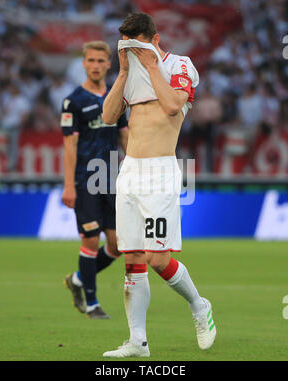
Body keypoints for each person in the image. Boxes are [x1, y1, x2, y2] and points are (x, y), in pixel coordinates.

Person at [102, 13, 216, 357]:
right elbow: (108, 117)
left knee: (157, 257)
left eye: (136, 44)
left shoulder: (179, 64)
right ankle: (138, 341)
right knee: (133, 257)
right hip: (130, 170)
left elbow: (171, 106)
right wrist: (123, 71)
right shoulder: (130, 73)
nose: (132, 52)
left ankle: (199, 305)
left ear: (153, 38)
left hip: (161, 171)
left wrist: (151, 65)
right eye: (126, 46)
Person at [61, 41, 128, 319]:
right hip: (86, 180)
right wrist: (68, 185)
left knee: (117, 246)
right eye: (91, 60)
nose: (96, 65)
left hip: (112, 180)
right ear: (84, 64)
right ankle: (91, 303)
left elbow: (125, 137)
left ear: (108, 64)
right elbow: (69, 146)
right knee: (90, 240)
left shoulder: (116, 97)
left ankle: (77, 278)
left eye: (101, 61)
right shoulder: (73, 101)